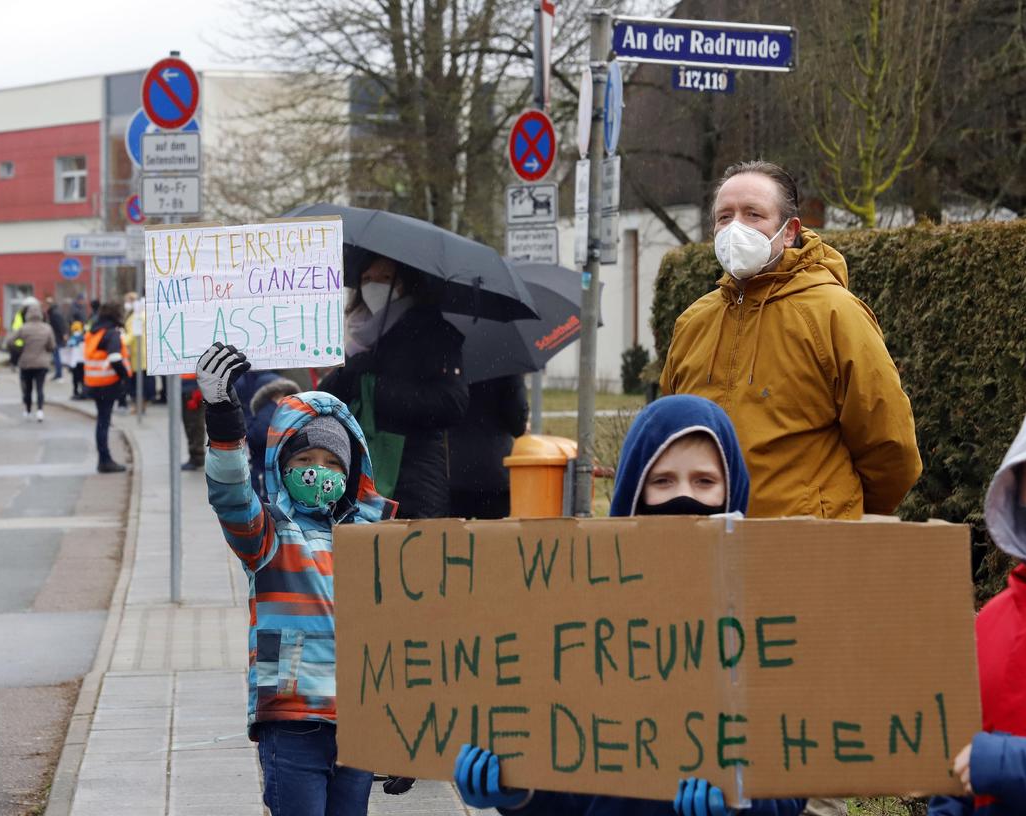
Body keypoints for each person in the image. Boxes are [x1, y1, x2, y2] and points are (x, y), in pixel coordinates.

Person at [454, 395, 805, 816]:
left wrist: (740, 809)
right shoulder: (586, 619)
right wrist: (517, 793)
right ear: (633, 490)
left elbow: (792, 782)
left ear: (733, 489)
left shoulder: (765, 619)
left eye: (704, 482)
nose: (684, 496)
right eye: (662, 482)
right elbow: (568, 783)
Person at [196, 342, 396, 816]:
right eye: (306, 461)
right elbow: (229, 495)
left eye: (332, 465)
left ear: (350, 475)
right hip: (293, 721)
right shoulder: (268, 537)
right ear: (283, 469)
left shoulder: (371, 541)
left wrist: (402, 728)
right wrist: (224, 421)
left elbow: (393, 637)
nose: (319, 473)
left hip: (360, 724)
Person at [659, 160, 921, 520]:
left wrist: (844, 520)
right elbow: (670, 440)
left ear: (789, 231)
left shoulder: (835, 314)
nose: (736, 227)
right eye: (724, 217)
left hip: (808, 553)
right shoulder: (693, 322)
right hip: (709, 552)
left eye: (753, 214)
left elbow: (891, 448)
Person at [927, 374, 1026, 815]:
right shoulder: (986, 626)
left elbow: (984, 762)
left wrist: (1006, 764)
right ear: (1014, 494)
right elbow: (954, 767)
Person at [319, 256, 468, 518]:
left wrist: (377, 389)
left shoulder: (433, 333)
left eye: (385, 278)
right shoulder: (357, 336)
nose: (374, 285)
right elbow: (326, 400)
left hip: (414, 480)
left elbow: (451, 403)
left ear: (405, 284)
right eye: (367, 279)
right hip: (360, 474)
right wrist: (348, 374)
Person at [448, 374, 530, 519]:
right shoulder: (507, 366)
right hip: (494, 472)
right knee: (493, 538)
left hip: (454, 470)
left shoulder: (451, 362)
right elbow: (517, 425)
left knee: (454, 538)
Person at [84, 302, 129, 474]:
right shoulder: (112, 334)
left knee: (101, 422)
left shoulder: (94, 331)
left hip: (94, 383)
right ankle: (105, 460)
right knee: (104, 422)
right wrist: (125, 375)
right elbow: (115, 357)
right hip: (107, 384)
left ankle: (103, 459)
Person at [245, 376, 301, 498]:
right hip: (265, 474)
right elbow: (258, 435)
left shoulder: (287, 413)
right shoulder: (267, 413)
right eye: (281, 396)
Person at [14, 302, 56, 421]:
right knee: (40, 388)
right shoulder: (47, 328)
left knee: (28, 388)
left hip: (26, 362)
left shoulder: (23, 328)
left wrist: (19, 349)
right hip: (42, 363)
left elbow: (10, 341)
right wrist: (46, 350)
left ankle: (27, 410)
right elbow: (52, 346)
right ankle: (40, 411)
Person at [46, 296, 67, 381]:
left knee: (57, 356)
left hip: (56, 337)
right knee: (56, 356)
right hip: (56, 337)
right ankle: (58, 373)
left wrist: (63, 334)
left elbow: (60, 325)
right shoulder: (54, 313)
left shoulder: (54, 314)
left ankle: (59, 374)